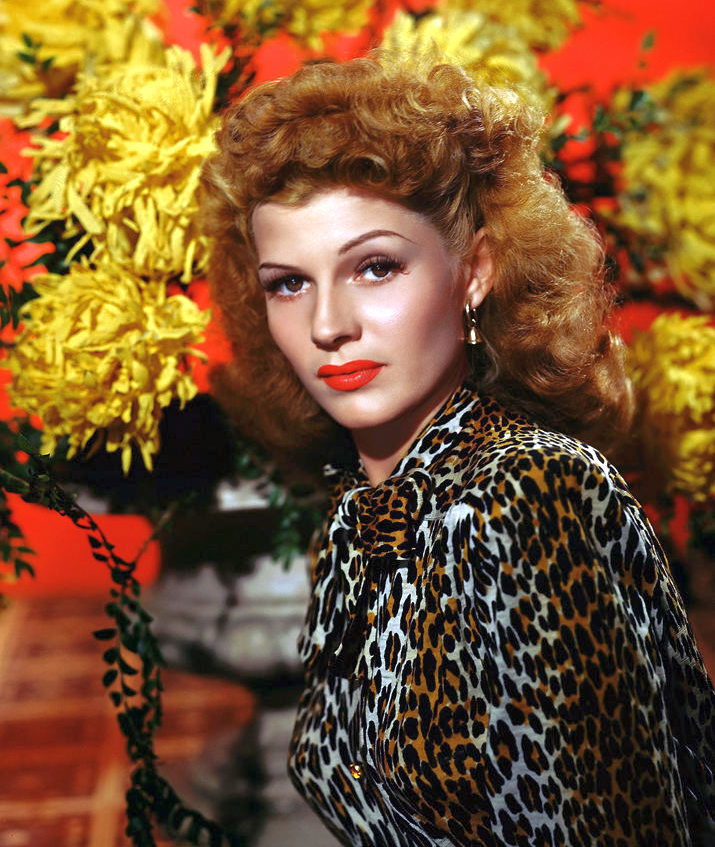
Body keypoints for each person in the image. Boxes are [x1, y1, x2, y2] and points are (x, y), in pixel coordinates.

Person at [200, 55, 714, 847]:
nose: (328, 325)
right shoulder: (365, 507)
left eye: (375, 267)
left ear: (474, 271)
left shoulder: (530, 496)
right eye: (288, 284)